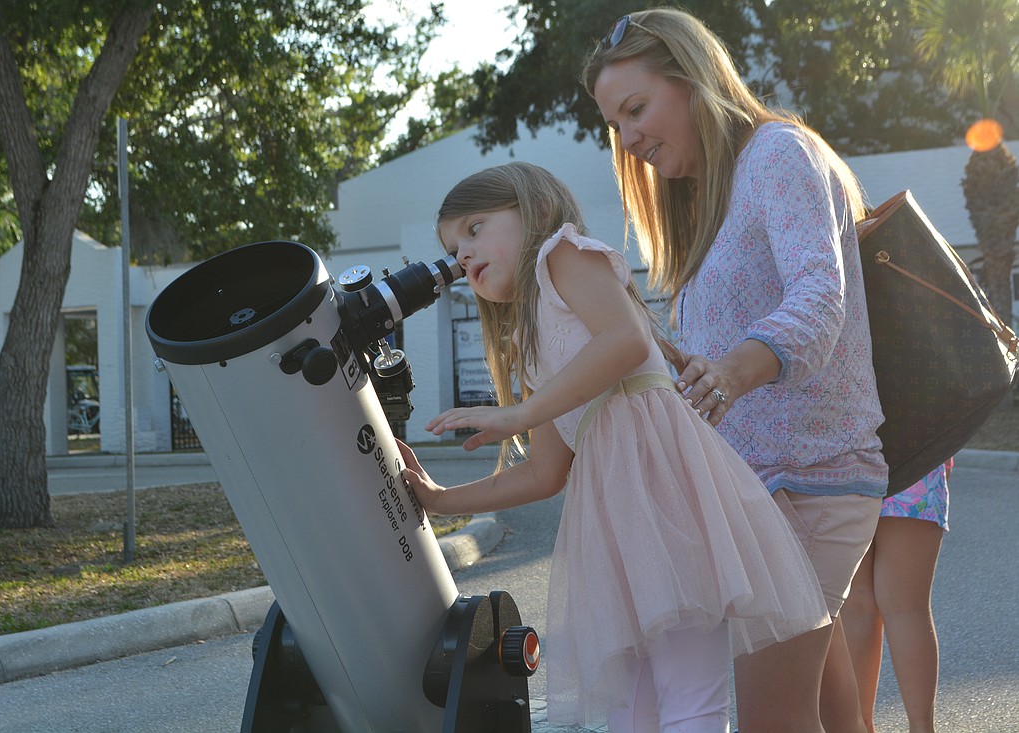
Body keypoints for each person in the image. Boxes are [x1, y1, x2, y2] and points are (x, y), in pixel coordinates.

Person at [397, 161, 831, 733]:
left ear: (533, 210)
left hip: (666, 499)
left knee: (688, 697)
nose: (463, 256)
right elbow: (546, 472)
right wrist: (438, 499)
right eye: (454, 249)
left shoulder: (561, 254)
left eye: (475, 229)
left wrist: (521, 412)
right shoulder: (530, 340)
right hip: (620, 527)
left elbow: (625, 340)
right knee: (633, 712)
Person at [581, 8, 888, 733]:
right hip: (765, 490)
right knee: (830, 715)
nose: (629, 139)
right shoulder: (713, 201)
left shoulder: (778, 153)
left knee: (773, 721)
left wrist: (733, 373)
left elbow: (821, 291)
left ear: (693, 82)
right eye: (615, 126)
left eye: (636, 109)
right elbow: (735, 330)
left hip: (806, 480)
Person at [842, 459, 953, 733]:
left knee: (856, 607)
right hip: (916, 462)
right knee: (907, 609)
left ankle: (860, 726)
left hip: (847, 466)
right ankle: (921, 727)